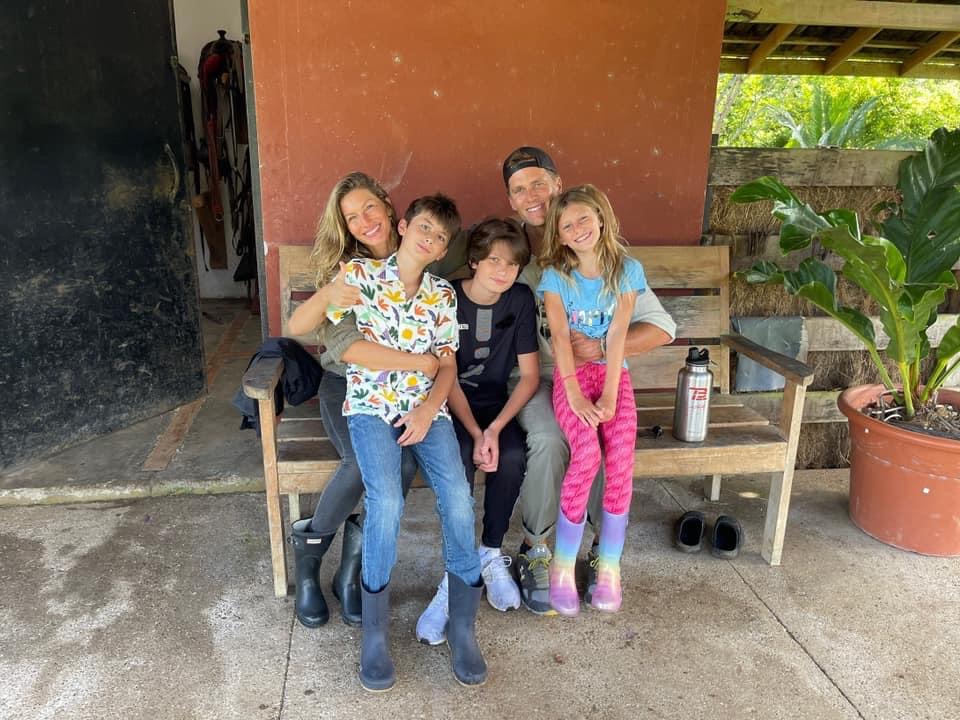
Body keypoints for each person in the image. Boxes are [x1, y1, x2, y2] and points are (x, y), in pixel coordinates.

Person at [500, 147, 676, 615]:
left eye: (539, 184)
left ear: (558, 186)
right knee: (551, 438)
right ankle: (537, 549)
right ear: (512, 202)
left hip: (597, 374)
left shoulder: (611, 262)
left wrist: (598, 351)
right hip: (535, 380)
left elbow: (662, 327)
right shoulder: (514, 254)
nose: (531, 196)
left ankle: (602, 551)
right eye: (519, 190)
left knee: (607, 442)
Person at [326, 193, 486, 691]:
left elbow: (447, 366)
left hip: (426, 410)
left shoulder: (442, 295)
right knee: (387, 501)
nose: (430, 239)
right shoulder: (359, 277)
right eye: (424, 227)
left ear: (443, 249)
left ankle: (462, 625)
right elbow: (343, 343)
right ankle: (374, 633)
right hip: (371, 408)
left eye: (440, 237)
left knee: (458, 497)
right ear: (403, 226)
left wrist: (426, 409)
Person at [286, 172, 424, 629]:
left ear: (387, 204)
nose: (365, 221)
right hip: (346, 385)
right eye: (352, 217)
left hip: (400, 390)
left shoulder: (416, 253)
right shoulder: (349, 271)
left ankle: (351, 574)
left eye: (369, 208)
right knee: (362, 463)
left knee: (404, 462)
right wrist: (330, 293)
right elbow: (308, 331)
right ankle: (309, 566)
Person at [416, 218, 539, 644]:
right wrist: (474, 431)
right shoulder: (447, 297)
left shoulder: (519, 299)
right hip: (451, 404)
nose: (503, 271)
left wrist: (496, 429)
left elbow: (529, 377)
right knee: (460, 462)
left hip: (495, 404)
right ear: (473, 261)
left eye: (512, 264)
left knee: (512, 455)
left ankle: (489, 551)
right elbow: (444, 375)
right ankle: (456, 571)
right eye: (494, 261)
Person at [538, 184, 644, 615]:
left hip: (614, 375)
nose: (578, 228)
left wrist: (613, 394)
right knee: (586, 454)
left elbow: (617, 335)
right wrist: (575, 394)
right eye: (567, 225)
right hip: (572, 378)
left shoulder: (627, 271)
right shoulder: (555, 277)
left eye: (584, 218)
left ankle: (610, 568)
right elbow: (560, 337)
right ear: (559, 236)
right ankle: (562, 566)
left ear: (601, 218)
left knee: (620, 457)